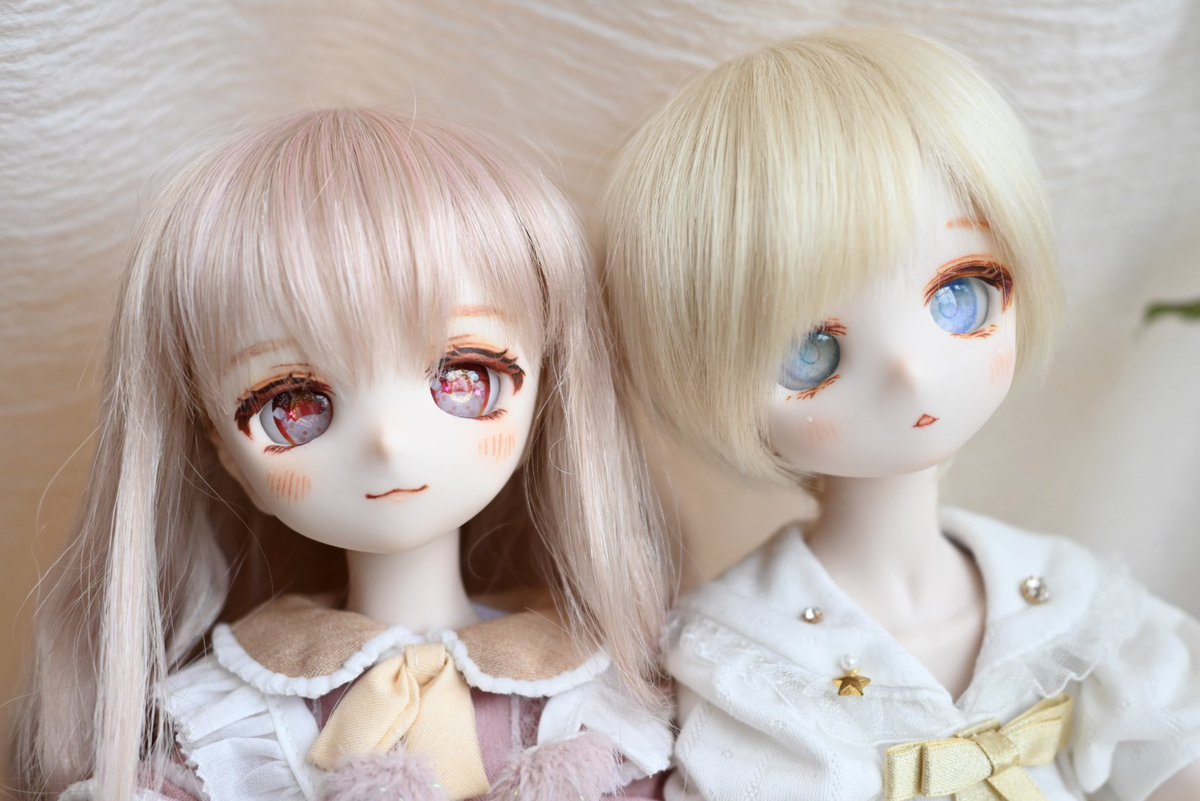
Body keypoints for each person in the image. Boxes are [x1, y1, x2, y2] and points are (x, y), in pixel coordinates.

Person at [602, 29, 1200, 801]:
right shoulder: (747, 654)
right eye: (811, 351)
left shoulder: (1074, 603)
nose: (911, 372)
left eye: (959, 296)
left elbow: (1174, 754)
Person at [16, 108, 671, 801]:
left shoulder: (593, 697)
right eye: (294, 405)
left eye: (464, 379)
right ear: (224, 450)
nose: (387, 441)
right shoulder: (232, 721)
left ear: (545, 390)